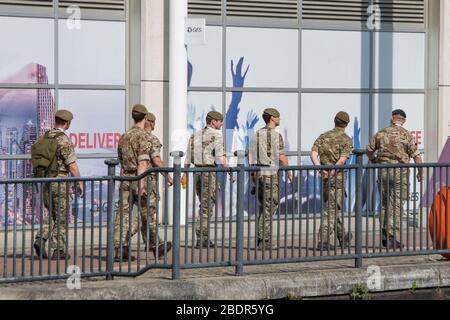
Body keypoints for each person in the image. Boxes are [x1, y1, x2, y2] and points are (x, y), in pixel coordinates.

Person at [114, 104, 172, 262]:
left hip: (126, 179)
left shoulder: (124, 136)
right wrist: (141, 184)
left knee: (123, 216)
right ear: (146, 118)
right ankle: (157, 246)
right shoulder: (145, 137)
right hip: (141, 179)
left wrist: (121, 181)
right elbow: (145, 163)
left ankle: (119, 249)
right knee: (148, 215)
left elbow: (121, 162)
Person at [366, 109, 423, 249]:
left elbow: (368, 150)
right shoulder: (407, 135)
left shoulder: (381, 133)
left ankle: (385, 235)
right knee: (396, 205)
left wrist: (374, 161)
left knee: (385, 204)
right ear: (403, 120)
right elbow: (416, 156)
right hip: (399, 173)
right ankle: (391, 237)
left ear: (392, 118)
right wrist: (420, 171)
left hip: (383, 172)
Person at [33, 110, 83, 260]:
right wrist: (79, 181)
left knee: (53, 214)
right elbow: (71, 165)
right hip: (60, 183)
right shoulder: (64, 140)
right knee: (62, 217)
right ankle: (59, 250)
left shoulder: (45, 136)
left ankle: (40, 239)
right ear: (67, 123)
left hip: (46, 183)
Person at [184, 111, 231, 248]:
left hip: (197, 172)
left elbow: (188, 157)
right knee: (207, 207)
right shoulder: (216, 135)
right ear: (212, 122)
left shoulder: (195, 135)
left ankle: (202, 237)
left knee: (203, 205)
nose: (221, 123)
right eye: (220, 121)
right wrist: (229, 170)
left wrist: (184, 173)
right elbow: (221, 156)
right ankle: (201, 238)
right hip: (208, 173)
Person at [249, 108, 292, 250]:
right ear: (273, 118)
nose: (280, 119)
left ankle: (260, 238)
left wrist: (252, 172)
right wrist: (289, 171)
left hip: (258, 173)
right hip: (270, 173)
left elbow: (250, 154)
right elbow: (281, 157)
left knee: (263, 207)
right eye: (278, 117)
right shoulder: (276, 135)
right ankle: (264, 240)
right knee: (270, 207)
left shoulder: (257, 133)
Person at [311, 111, 353, 251]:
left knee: (332, 208)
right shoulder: (347, 139)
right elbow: (341, 161)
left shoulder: (323, 137)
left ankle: (343, 236)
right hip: (337, 179)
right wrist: (332, 173)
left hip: (325, 178)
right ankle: (322, 241)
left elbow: (313, 154)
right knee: (331, 210)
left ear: (334, 120)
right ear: (346, 124)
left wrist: (320, 169)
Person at [130, 112, 173, 251]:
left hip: (132, 179)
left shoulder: (132, 135)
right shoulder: (151, 139)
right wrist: (168, 176)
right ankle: (121, 238)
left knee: (145, 213)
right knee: (147, 213)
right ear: (152, 123)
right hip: (148, 181)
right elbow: (156, 161)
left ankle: (150, 242)